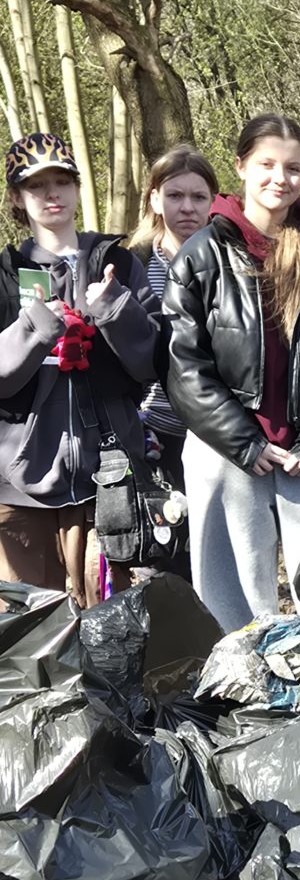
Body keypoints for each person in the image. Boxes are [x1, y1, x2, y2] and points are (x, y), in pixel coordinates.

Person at [165, 113, 300, 633]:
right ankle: (242, 694)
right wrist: (245, 443)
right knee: (231, 605)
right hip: (226, 451)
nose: (280, 178)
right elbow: (186, 367)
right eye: (266, 164)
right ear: (240, 167)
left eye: (294, 168)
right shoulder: (200, 256)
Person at [0, 132, 161, 605]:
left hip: (108, 480)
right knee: (31, 640)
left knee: (113, 629)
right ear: (17, 198)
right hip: (20, 487)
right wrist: (34, 326)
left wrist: (115, 307)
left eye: (62, 182)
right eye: (36, 186)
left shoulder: (118, 263)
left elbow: (150, 363)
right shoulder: (5, 275)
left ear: (75, 189)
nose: (52, 195)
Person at [126, 144, 218, 500]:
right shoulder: (130, 266)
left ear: (213, 201)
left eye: (198, 196)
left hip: (217, 436)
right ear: (154, 200)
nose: (187, 207)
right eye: (175, 195)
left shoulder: (234, 266)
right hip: (152, 434)